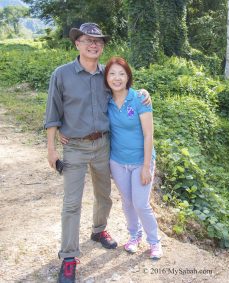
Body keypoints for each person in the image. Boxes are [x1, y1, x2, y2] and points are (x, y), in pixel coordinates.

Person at [44, 23, 150, 283]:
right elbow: (52, 112)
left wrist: (144, 94)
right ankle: (69, 258)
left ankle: (99, 230)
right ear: (77, 43)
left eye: (98, 41)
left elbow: (126, 92)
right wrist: (51, 148)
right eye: (87, 40)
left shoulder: (107, 74)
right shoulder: (62, 74)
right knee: (72, 203)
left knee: (104, 195)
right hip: (75, 147)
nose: (94, 45)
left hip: (104, 145)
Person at [104, 56, 162, 259]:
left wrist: (147, 166)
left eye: (122, 73)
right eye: (112, 73)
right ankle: (134, 235)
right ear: (106, 77)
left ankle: (154, 241)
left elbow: (148, 134)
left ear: (128, 77)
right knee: (127, 202)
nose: (117, 78)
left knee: (140, 203)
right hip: (117, 161)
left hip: (141, 161)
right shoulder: (106, 100)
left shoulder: (139, 98)